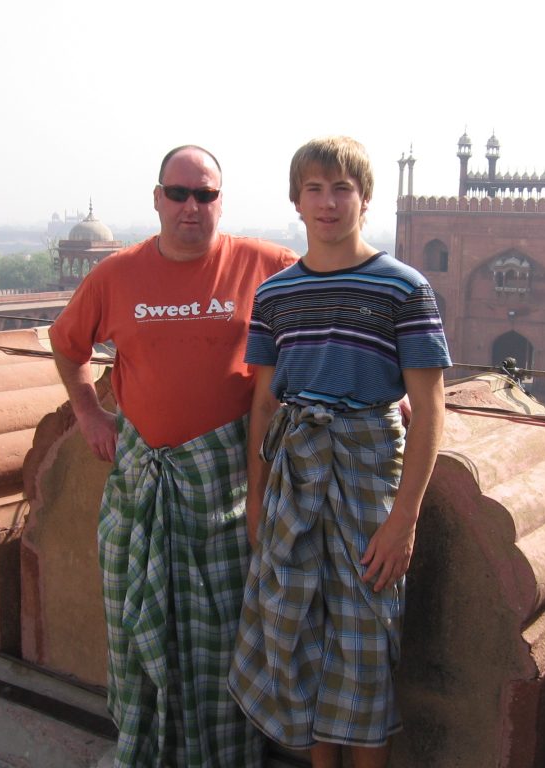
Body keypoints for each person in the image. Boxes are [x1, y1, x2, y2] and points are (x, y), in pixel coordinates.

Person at [49, 145, 297, 768]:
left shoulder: (264, 265)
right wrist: (86, 412)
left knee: (222, 642)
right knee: (136, 639)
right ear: (157, 198)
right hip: (143, 485)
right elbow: (67, 343)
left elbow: (337, 296)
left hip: (226, 492)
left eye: (205, 194)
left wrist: (392, 378)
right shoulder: (116, 275)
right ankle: (146, 752)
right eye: (180, 193)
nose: (192, 206)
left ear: (221, 201)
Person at [227, 136, 451, 768]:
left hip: (366, 477)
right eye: (315, 189)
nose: (328, 203)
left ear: (365, 198)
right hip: (295, 479)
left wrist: (403, 520)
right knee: (299, 631)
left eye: (342, 188)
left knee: (365, 642)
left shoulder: (402, 289)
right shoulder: (276, 296)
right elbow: (265, 406)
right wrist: (256, 497)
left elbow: (431, 409)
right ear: (296, 201)